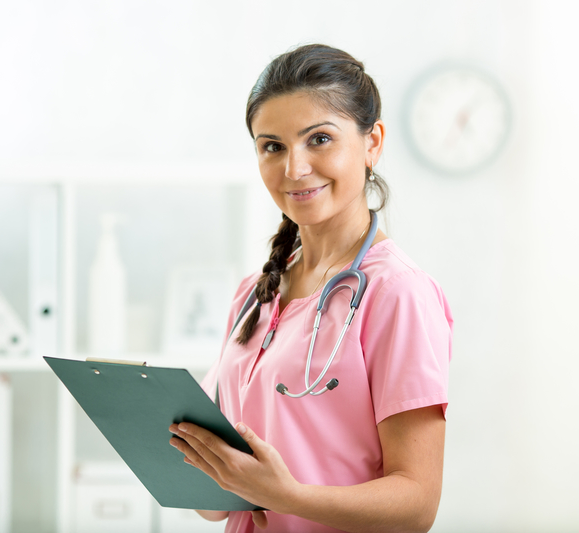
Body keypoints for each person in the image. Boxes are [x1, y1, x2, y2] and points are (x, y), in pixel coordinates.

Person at [169, 43, 454, 533]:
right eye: (272, 146)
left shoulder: (398, 293)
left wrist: (287, 497)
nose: (294, 169)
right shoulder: (253, 296)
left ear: (372, 143)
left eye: (319, 139)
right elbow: (218, 503)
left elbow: (417, 503)